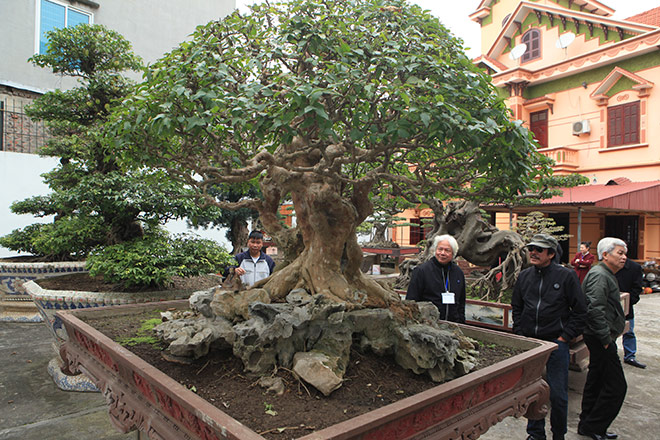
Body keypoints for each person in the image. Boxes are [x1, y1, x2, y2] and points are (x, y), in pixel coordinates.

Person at [511, 233, 586, 440]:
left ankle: (558, 434)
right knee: (533, 392)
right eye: (531, 249)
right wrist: (519, 332)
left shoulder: (566, 276)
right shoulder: (525, 275)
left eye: (539, 250)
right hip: (530, 343)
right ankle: (535, 433)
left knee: (558, 394)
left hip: (555, 343)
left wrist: (565, 336)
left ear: (551, 254)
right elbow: (516, 305)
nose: (533, 253)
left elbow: (580, 311)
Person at [578, 237, 628, 440]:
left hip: (601, 336)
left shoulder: (606, 274)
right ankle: (595, 425)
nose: (624, 257)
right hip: (600, 338)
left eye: (625, 253)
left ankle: (587, 425)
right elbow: (594, 308)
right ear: (605, 255)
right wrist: (606, 338)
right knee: (616, 386)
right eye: (620, 253)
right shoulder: (600, 275)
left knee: (596, 380)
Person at [406, 234, 466, 323]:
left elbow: (461, 302)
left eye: (447, 250)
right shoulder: (421, 271)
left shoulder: (458, 272)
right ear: (435, 250)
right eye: (440, 249)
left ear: (453, 253)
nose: (442, 253)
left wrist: (461, 322)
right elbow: (411, 301)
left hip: (453, 324)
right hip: (429, 324)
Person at [615, 258, 646, 369]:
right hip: (610, 306)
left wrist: (629, 301)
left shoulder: (634, 267)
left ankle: (630, 355)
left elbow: (637, 287)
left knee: (629, 331)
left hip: (626, 304)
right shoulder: (608, 266)